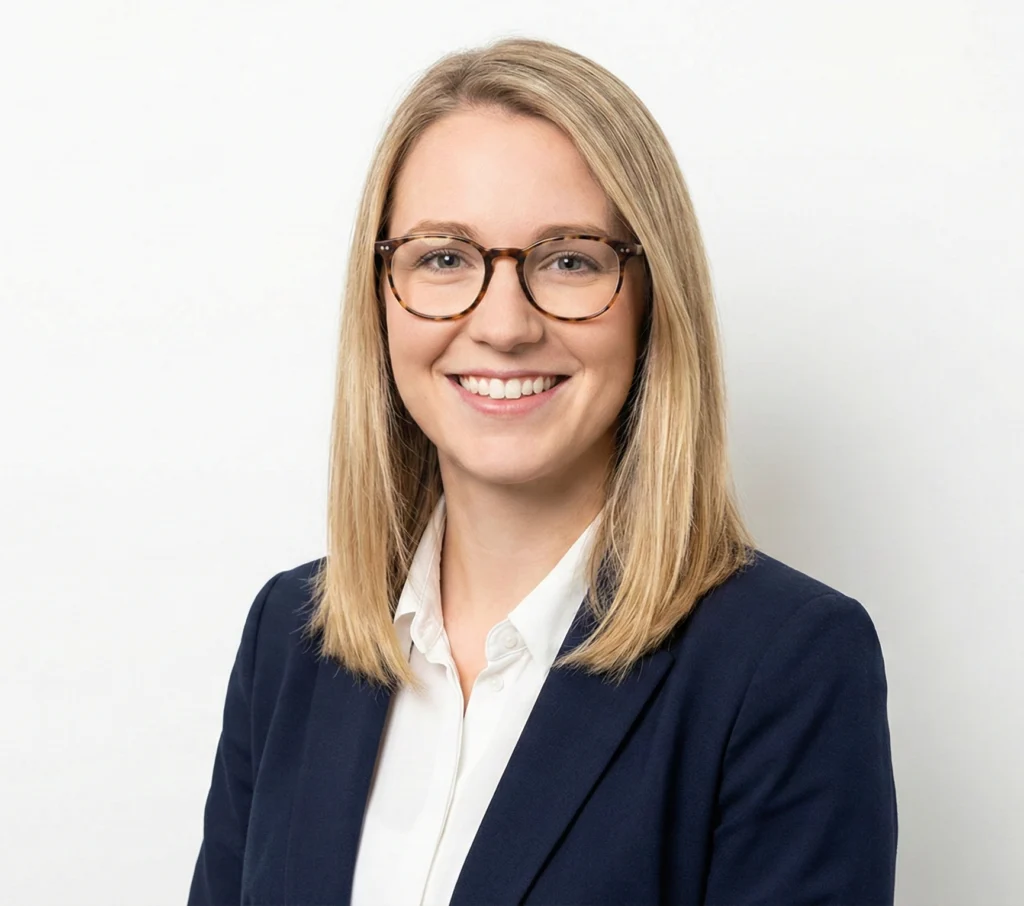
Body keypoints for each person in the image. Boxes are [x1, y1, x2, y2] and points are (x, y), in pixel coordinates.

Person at [187, 36, 897, 906]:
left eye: (569, 260)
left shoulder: (786, 665)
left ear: (651, 303)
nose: (504, 325)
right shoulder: (291, 637)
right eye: (443, 257)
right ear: (379, 298)